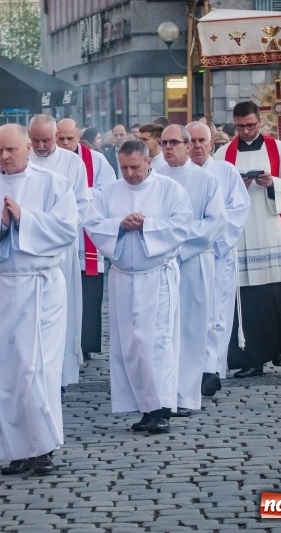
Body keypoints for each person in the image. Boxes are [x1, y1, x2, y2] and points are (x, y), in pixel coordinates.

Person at [0, 124, 77, 476]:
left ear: (28, 147)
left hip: (39, 285)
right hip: (0, 286)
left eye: (11, 149)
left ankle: (43, 447)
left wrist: (26, 219)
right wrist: (0, 224)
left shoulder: (53, 183)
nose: (4, 157)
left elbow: (68, 228)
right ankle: (15, 448)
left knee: (34, 368)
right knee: (4, 371)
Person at [83, 139, 192, 433]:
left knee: (155, 343)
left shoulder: (170, 190)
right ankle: (144, 407)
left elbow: (182, 226)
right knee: (128, 345)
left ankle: (162, 408)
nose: (129, 173)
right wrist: (119, 224)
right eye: (124, 168)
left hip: (156, 276)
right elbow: (91, 223)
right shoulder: (110, 192)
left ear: (148, 162)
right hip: (122, 276)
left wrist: (146, 224)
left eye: (135, 167)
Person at [212, 101, 281, 378]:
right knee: (246, 297)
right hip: (239, 233)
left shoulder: (278, 149)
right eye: (240, 127)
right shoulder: (222, 155)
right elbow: (212, 194)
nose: (245, 131)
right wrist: (235, 188)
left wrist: (273, 184)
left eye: (250, 125)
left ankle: (279, 346)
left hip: (268, 226)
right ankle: (250, 356)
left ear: (260, 122)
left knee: (274, 294)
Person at [154, 125, 226, 416]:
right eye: (164, 143)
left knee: (192, 328)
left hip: (194, 260)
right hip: (160, 262)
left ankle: (185, 395)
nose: (168, 148)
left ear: (186, 146)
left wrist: (180, 245)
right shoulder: (154, 178)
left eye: (174, 142)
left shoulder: (206, 180)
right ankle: (163, 393)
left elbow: (216, 221)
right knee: (164, 329)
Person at [186, 122, 250, 397]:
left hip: (218, 256)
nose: (198, 145)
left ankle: (211, 369)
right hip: (188, 257)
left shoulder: (226, 172)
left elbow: (239, 210)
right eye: (192, 141)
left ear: (212, 143)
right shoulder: (177, 175)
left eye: (203, 140)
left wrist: (215, 243)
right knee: (191, 315)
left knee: (216, 315)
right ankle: (191, 368)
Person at [28, 114, 91, 389]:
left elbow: (82, 203)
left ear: (55, 136)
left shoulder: (72, 162)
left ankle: (61, 375)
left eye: (46, 140)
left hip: (60, 250)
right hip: (27, 249)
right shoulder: (23, 159)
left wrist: (55, 229)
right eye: (35, 141)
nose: (41, 146)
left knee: (62, 312)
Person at [56, 118, 116, 360]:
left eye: (70, 138)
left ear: (78, 137)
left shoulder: (96, 160)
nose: (65, 143)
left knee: (88, 293)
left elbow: (108, 190)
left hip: (86, 233)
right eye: (60, 138)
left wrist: (80, 194)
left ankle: (86, 342)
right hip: (60, 233)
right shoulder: (49, 160)